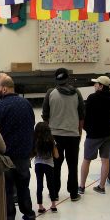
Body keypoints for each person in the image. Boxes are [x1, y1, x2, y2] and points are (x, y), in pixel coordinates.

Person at [0, 75, 37, 220]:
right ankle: (29, 215)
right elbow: (32, 126)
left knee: (7, 188)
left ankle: (9, 218)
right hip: (23, 155)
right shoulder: (26, 104)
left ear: (4, 88)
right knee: (23, 186)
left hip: (5, 156)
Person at [42, 68, 85, 202]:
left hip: (55, 135)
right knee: (72, 165)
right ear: (68, 78)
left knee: (55, 165)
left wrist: (49, 133)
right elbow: (81, 116)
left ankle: (54, 193)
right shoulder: (77, 93)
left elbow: (45, 116)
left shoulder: (50, 93)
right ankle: (73, 193)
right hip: (73, 135)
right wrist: (79, 133)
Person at [79, 76, 110, 195]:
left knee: (87, 159)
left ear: (101, 86)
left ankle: (81, 186)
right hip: (108, 132)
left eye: (96, 84)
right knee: (105, 159)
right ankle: (101, 186)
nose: (94, 86)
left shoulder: (92, 98)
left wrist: (86, 128)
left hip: (93, 134)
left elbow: (86, 115)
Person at [32, 122, 60, 214]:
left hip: (38, 165)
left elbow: (32, 154)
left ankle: (40, 206)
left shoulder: (35, 140)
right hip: (49, 165)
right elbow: (56, 155)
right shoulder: (51, 140)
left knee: (39, 185)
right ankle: (53, 205)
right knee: (51, 184)